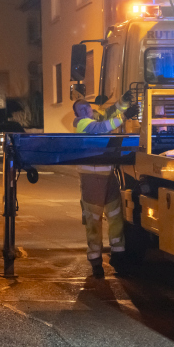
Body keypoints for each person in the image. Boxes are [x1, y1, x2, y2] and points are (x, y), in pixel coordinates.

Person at [72, 91, 139, 278]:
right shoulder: (83, 124)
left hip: (108, 177)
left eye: (87, 106)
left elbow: (110, 112)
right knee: (94, 222)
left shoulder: (94, 117)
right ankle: (96, 262)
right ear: (78, 114)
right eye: (82, 109)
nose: (87, 109)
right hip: (92, 180)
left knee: (116, 217)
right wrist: (124, 116)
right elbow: (102, 127)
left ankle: (118, 256)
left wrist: (123, 102)